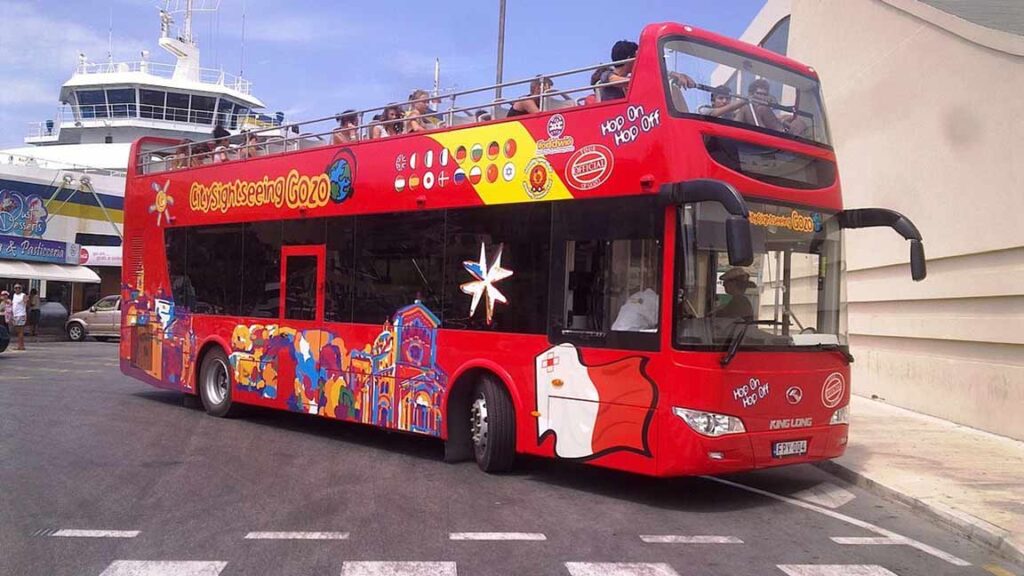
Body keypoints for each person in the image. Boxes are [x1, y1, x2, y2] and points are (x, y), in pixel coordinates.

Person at [599, 40, 695, 102]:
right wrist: (659, 77)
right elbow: (625, 82)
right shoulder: (607, 75)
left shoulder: (631, 79)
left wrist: (673, 75)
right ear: (629, 59)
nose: (639, 61)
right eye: (637, 57)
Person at [10, 283, 27, 350]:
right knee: (17, 331)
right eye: (16, 288)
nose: (17, 289)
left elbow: (26, 303)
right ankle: (20, 345)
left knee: (20, 331)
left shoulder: (23, 295)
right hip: (15, 315)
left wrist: (25, 300)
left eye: (19, 288)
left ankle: (21, 346)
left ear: (21, 289)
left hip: (21, 314)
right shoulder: (14, 295)